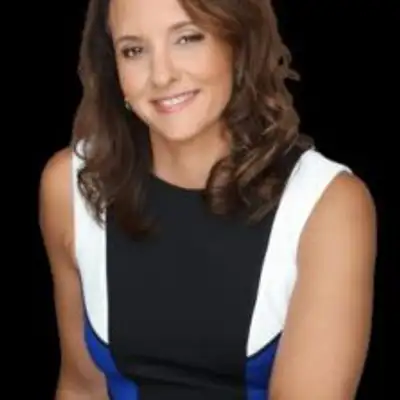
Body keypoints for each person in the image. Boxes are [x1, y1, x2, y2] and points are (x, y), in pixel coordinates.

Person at [39, 0, 377, 398]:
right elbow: (82, 388)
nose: (162, 75)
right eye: (134, 50)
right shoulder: (72, 186)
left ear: (238, 41)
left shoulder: (328, 206)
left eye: (187, 38)